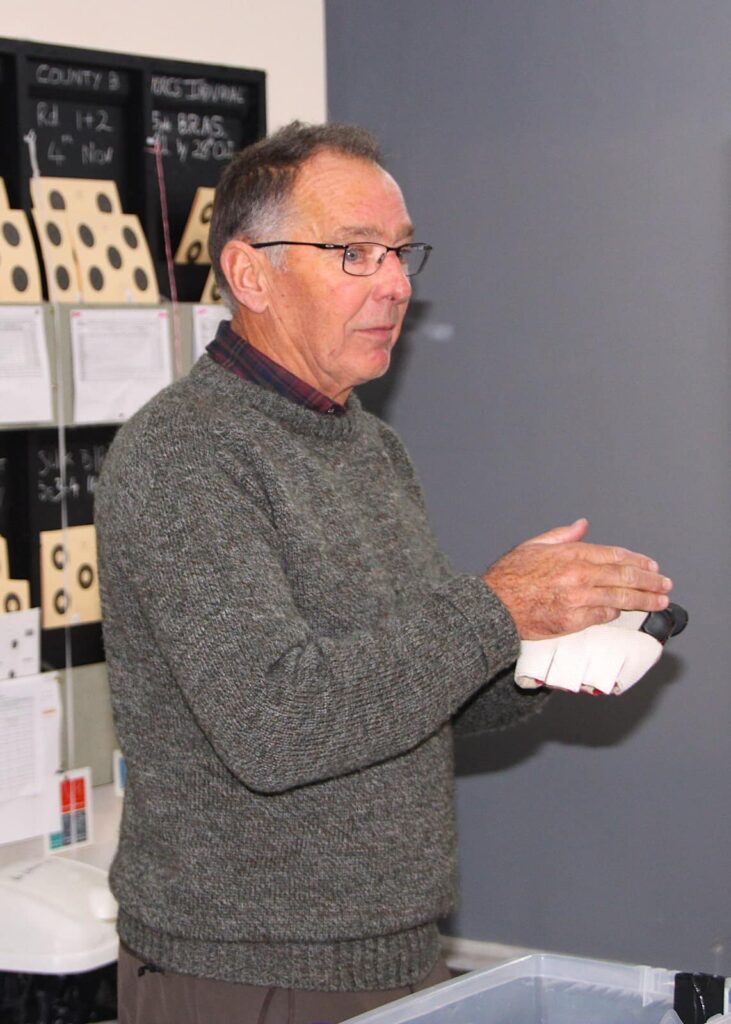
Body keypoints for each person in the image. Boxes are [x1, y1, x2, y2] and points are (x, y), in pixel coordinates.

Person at [95, 121, 672, 1024]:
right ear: (250, 275)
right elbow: (276, 724)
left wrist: (540, 644)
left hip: (401, 955)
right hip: (246, 976)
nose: (396, 285)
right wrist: (495, 609)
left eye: (400, 254)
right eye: (355, 254)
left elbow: (415, 693)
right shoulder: (183, 457)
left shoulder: (370, 449)